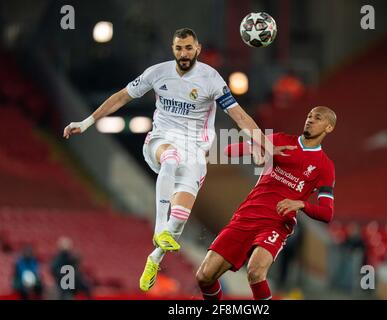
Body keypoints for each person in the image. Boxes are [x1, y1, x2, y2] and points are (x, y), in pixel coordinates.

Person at [63, 28, 290, 292]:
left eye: (189, 48)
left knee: (180, 217)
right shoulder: (157, 72)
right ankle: (159, 228)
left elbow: (239, 117)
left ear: (198, 49)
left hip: (194, 152)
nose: (184, 53)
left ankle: (154, 258)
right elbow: (121, 97)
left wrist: (266, 143)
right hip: (161, 140)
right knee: (170, 158)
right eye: (179, 48)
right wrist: (87, 122)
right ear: (173, 49)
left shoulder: (211, 79)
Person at [196, 106, 336, 300]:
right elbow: (228, 151)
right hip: (246, 216)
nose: (310, 120)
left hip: (276, 224)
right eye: (309, 115)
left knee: (255, 272)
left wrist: (301, 205)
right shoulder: (279, 140)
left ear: (329, 128)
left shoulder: (325, 166)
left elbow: (327, 213)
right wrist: (255, 150)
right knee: (204, 276)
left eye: (317, 118)